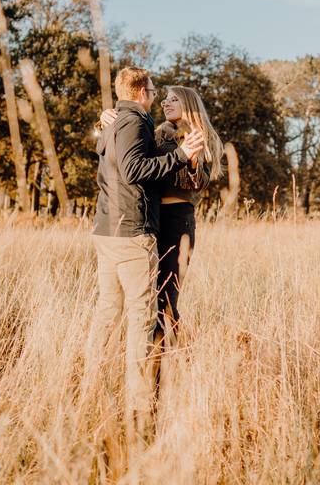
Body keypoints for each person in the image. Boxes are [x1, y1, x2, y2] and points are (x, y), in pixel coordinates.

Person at [88, 67, 204, 428]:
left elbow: (106, 151)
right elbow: (134, 168)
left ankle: (96, 383)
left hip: (110, 229)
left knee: (115, 311)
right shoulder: (137, 122)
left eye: (171, 97)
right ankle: (141, 406)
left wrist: (105, 121)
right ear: (141, 91)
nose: (159, 97)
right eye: (156, 91)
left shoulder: (120, 121)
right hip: (133, 230)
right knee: (143, 317)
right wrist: (181, 154)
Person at [100, 85, 222, 348]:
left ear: (189, 104)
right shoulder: (154, 132)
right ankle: (150, 363)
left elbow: (198, 183)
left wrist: (190, 160)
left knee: (166, 297)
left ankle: (170, 364)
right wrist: (107, 122)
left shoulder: (201, 136)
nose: (166, 103)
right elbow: (129, 158)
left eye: (174, 99)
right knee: (144, 297)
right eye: (165, 99)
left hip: (178, 222)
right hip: (149, 219)